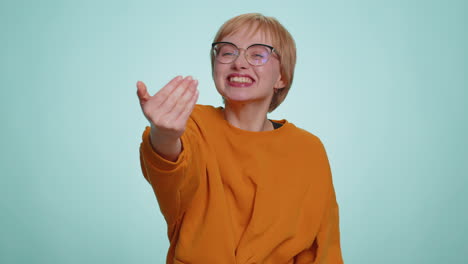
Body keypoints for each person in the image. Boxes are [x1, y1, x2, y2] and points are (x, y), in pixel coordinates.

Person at [136, 13, 343, 264]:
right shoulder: (192, 124)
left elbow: (322, 249)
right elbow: (169, 167)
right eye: (227, 52)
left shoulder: (308, 149)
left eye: (257, 54)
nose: (239, 63)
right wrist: (165, 134)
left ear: (282, 77)